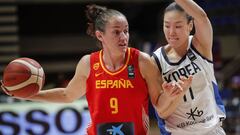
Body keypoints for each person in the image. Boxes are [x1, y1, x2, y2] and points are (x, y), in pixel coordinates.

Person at [1, 4, 192, 135]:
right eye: (116, 32)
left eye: (126, 30)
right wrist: (29, 95)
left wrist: (173, 94)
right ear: (100, 35)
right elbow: (68, 95)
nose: (123, 36)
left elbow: (160, 105)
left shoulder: (142, 61)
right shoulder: (88, 63)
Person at [152, 0, 226, 135]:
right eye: (167, 26)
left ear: (190, 25)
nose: (171, 32)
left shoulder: (200, 45)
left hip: (211, 130)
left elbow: (202, 17)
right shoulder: (156, 60)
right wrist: (174, 95)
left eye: (178, 26)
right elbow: (162, 112)